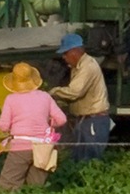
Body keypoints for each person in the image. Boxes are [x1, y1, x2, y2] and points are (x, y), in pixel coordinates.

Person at [0, 61, 67, 192]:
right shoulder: (45, 96)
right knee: (36, 185)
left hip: (20, 147)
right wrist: (48, 126)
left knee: (8, 183)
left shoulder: (11, 99)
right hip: (42, 147)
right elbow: (61, 119)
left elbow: (3, 126)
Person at [48, 33, 112, 165]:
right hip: (85, 120)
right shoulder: (78, 66)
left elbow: (74, 92)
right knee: (79, 158)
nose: (64, 57)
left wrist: (53, 92)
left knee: (90, 160)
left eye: (65, 53)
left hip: (93, 120)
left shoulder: (87, 66)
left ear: (75, 51)